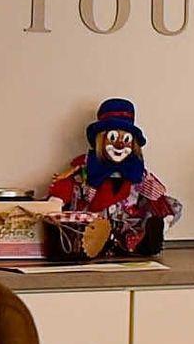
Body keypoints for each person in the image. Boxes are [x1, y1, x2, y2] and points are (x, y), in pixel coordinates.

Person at [48, 98, 183, 256]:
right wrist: (57, 201)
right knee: (85, 235)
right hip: (94, 224)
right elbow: (68, 184)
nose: (119, 145)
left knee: (159, 213)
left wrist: (164, 217)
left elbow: (156, 196)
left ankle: (145, 241)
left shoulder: (136, 171)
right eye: (113, 138)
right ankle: (92, 245)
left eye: (125, 140)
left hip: (126, 224)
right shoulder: (87, 167)